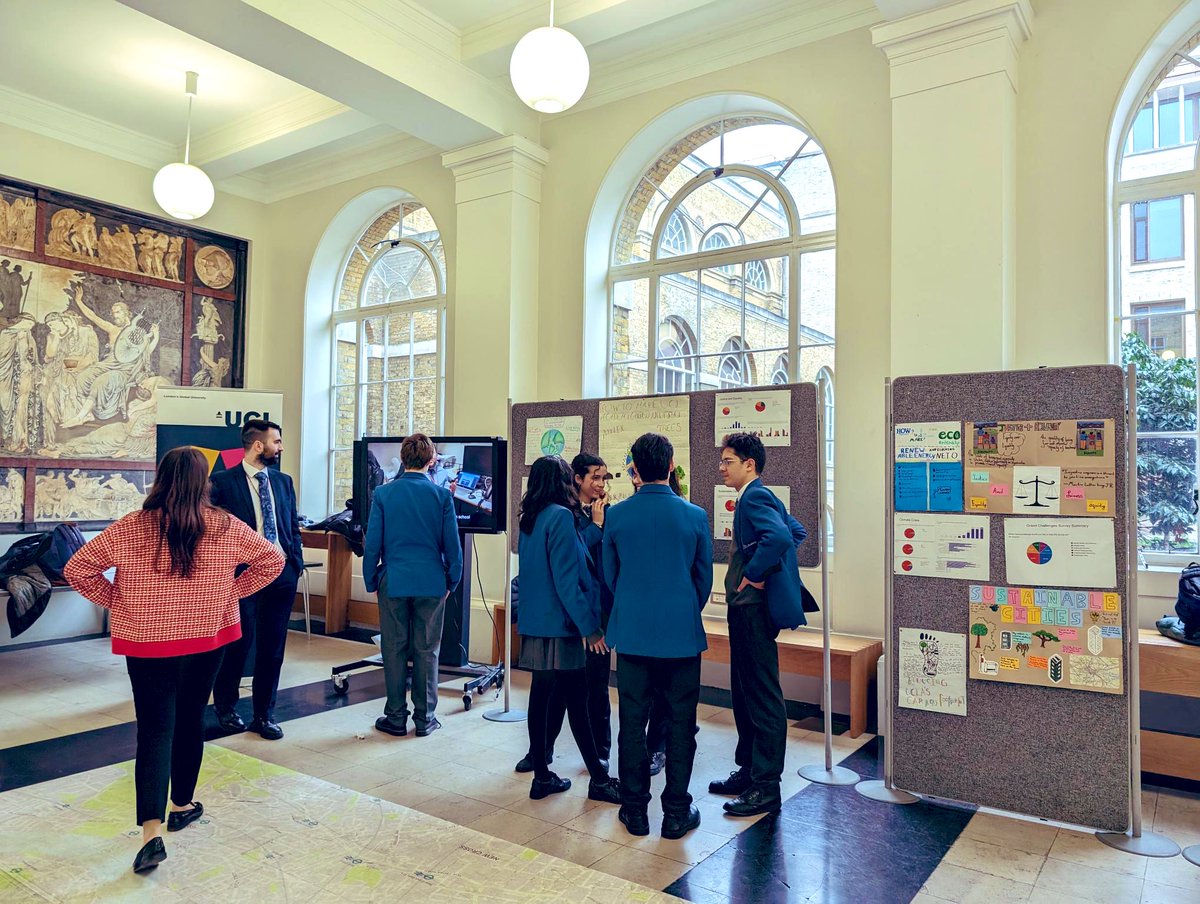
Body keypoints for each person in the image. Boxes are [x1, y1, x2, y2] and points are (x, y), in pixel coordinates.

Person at [64, 446, 284, 875]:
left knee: (154, 730)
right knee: (190, 720)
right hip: (208, 639)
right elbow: (273, 560)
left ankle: (151, 833)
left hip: (147, 643)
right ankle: (181, 804)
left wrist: (119, 602)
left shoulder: (133, 526)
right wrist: (230, 594)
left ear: (161, 479)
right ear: (205, 482)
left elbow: (77, 569)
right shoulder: (224, 525)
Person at [603, 432, 712, 839]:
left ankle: (635, 811)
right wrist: (682, 608)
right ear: (670, 466)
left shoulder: (616, 516)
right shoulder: (695, 515)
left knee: (632, 721)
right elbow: (703, 579)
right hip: (681, 635)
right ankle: (676, 812)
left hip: (631, 634)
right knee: (681, 723)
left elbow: (609, 576)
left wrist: (632, 605)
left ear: (634, 468)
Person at [710, 431, 811, 817]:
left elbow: (781, 536)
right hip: (746, 608)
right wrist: (766, 567)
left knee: (762, 695)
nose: (721, 467)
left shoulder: (754, 496)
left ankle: (766, 786)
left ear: (748, 465)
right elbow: (795, 532)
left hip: (752, 608)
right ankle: (749, 770)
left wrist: (754, 572)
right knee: (743, 690)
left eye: (728, 461)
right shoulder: (758, 496)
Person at [516, 456, 622, 804]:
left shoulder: (531, 518)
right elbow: (566, 581)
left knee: (541, 695)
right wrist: (590, 628)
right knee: (577, 700)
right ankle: (601, 779)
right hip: (562, 624)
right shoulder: (561, 517)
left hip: (536, 622)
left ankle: (542, 775)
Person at [210, 419, 305, 740]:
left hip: (282, 574)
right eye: (276, 441)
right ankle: (226, 708)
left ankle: (265, 714)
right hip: (241, 576)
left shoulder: (283, 481)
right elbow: (215, 533)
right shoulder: (221, 482)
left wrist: (296, 563)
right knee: (237, 645)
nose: (281, 447)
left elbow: (291, 524)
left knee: (273, 648)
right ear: (257, 446)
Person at [363, 432, 463, 738]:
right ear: (432, 460)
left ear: (403, 459)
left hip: (393, 580)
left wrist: (372, 580)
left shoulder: (383, 494)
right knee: (427, 650)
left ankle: (395, 717)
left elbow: (373, 544)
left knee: (393, 649)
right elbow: (453, 547)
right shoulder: (443, 496)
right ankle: (425, 718)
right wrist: (452, 580)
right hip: (432, 581)